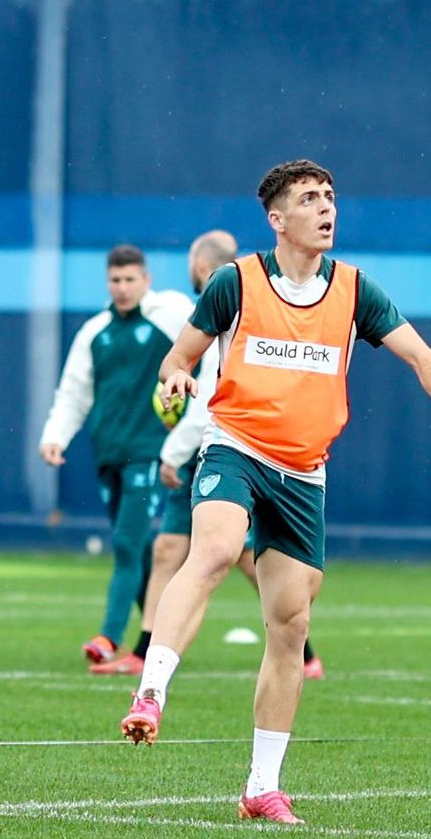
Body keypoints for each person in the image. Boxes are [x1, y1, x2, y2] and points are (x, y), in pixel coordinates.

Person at [119, 159, 431, 826]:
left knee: (290, 624)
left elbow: (423, 356)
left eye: (331, 197)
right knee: (215, 548)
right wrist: (174, 379)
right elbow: (179, 356)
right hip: (236, 446)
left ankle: (262, 786)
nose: (326, 207)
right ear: (277, 218)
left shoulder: (354, 290)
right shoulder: (236, 282)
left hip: (305, 472)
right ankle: (150, 693)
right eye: (310, 198)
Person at [90, 229, 324, 680]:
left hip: (224, 454)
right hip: (218, 451)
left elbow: (212, 398)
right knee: (170, 550)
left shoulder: (229, 309)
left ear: (200, 267)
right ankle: (145, 651)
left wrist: (172, 453)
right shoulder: (240, 301)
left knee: (231, 557)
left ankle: (301, 646)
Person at [38, 244, 194, 664]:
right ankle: (157, 643)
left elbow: (208, 347)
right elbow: (73, 391)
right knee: (140, 550)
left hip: (149, 453)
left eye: (130, 279)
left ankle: (108, 637)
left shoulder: (170, 314)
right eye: (115, 280)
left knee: (126, 543)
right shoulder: (95, 331)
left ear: (146, 280)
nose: (123, 288)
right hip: (109, 452)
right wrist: (56, 435)